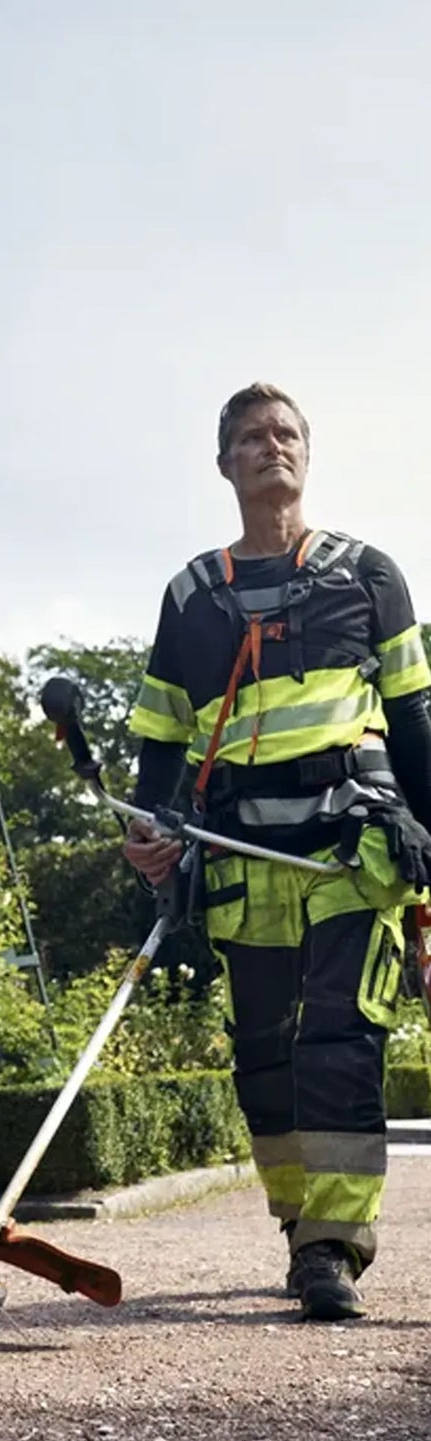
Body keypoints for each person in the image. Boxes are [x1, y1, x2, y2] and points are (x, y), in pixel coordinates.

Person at [124, 382, 431, 1321]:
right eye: (253, 437)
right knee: (264, 1055)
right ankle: (301, 1223)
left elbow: (415, 722)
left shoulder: (368, 575)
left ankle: (334, 1243)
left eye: (287, 432)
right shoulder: (191, 597)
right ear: (225, 464)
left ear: (307, 452)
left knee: (340, 1040)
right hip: (239, 852)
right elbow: (161, 743)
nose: (273, 446)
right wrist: (149, 832)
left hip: (351, 849)